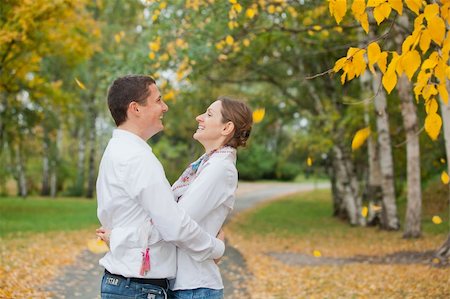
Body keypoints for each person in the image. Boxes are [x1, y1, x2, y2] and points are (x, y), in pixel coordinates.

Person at [99, 96, 253, 299]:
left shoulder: (220, 168)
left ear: (226, 128)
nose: (199, 117)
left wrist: (119, 238)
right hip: (182, 284)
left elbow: (172, 223)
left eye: (208, 114)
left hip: (195, 285)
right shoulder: (203, 166)